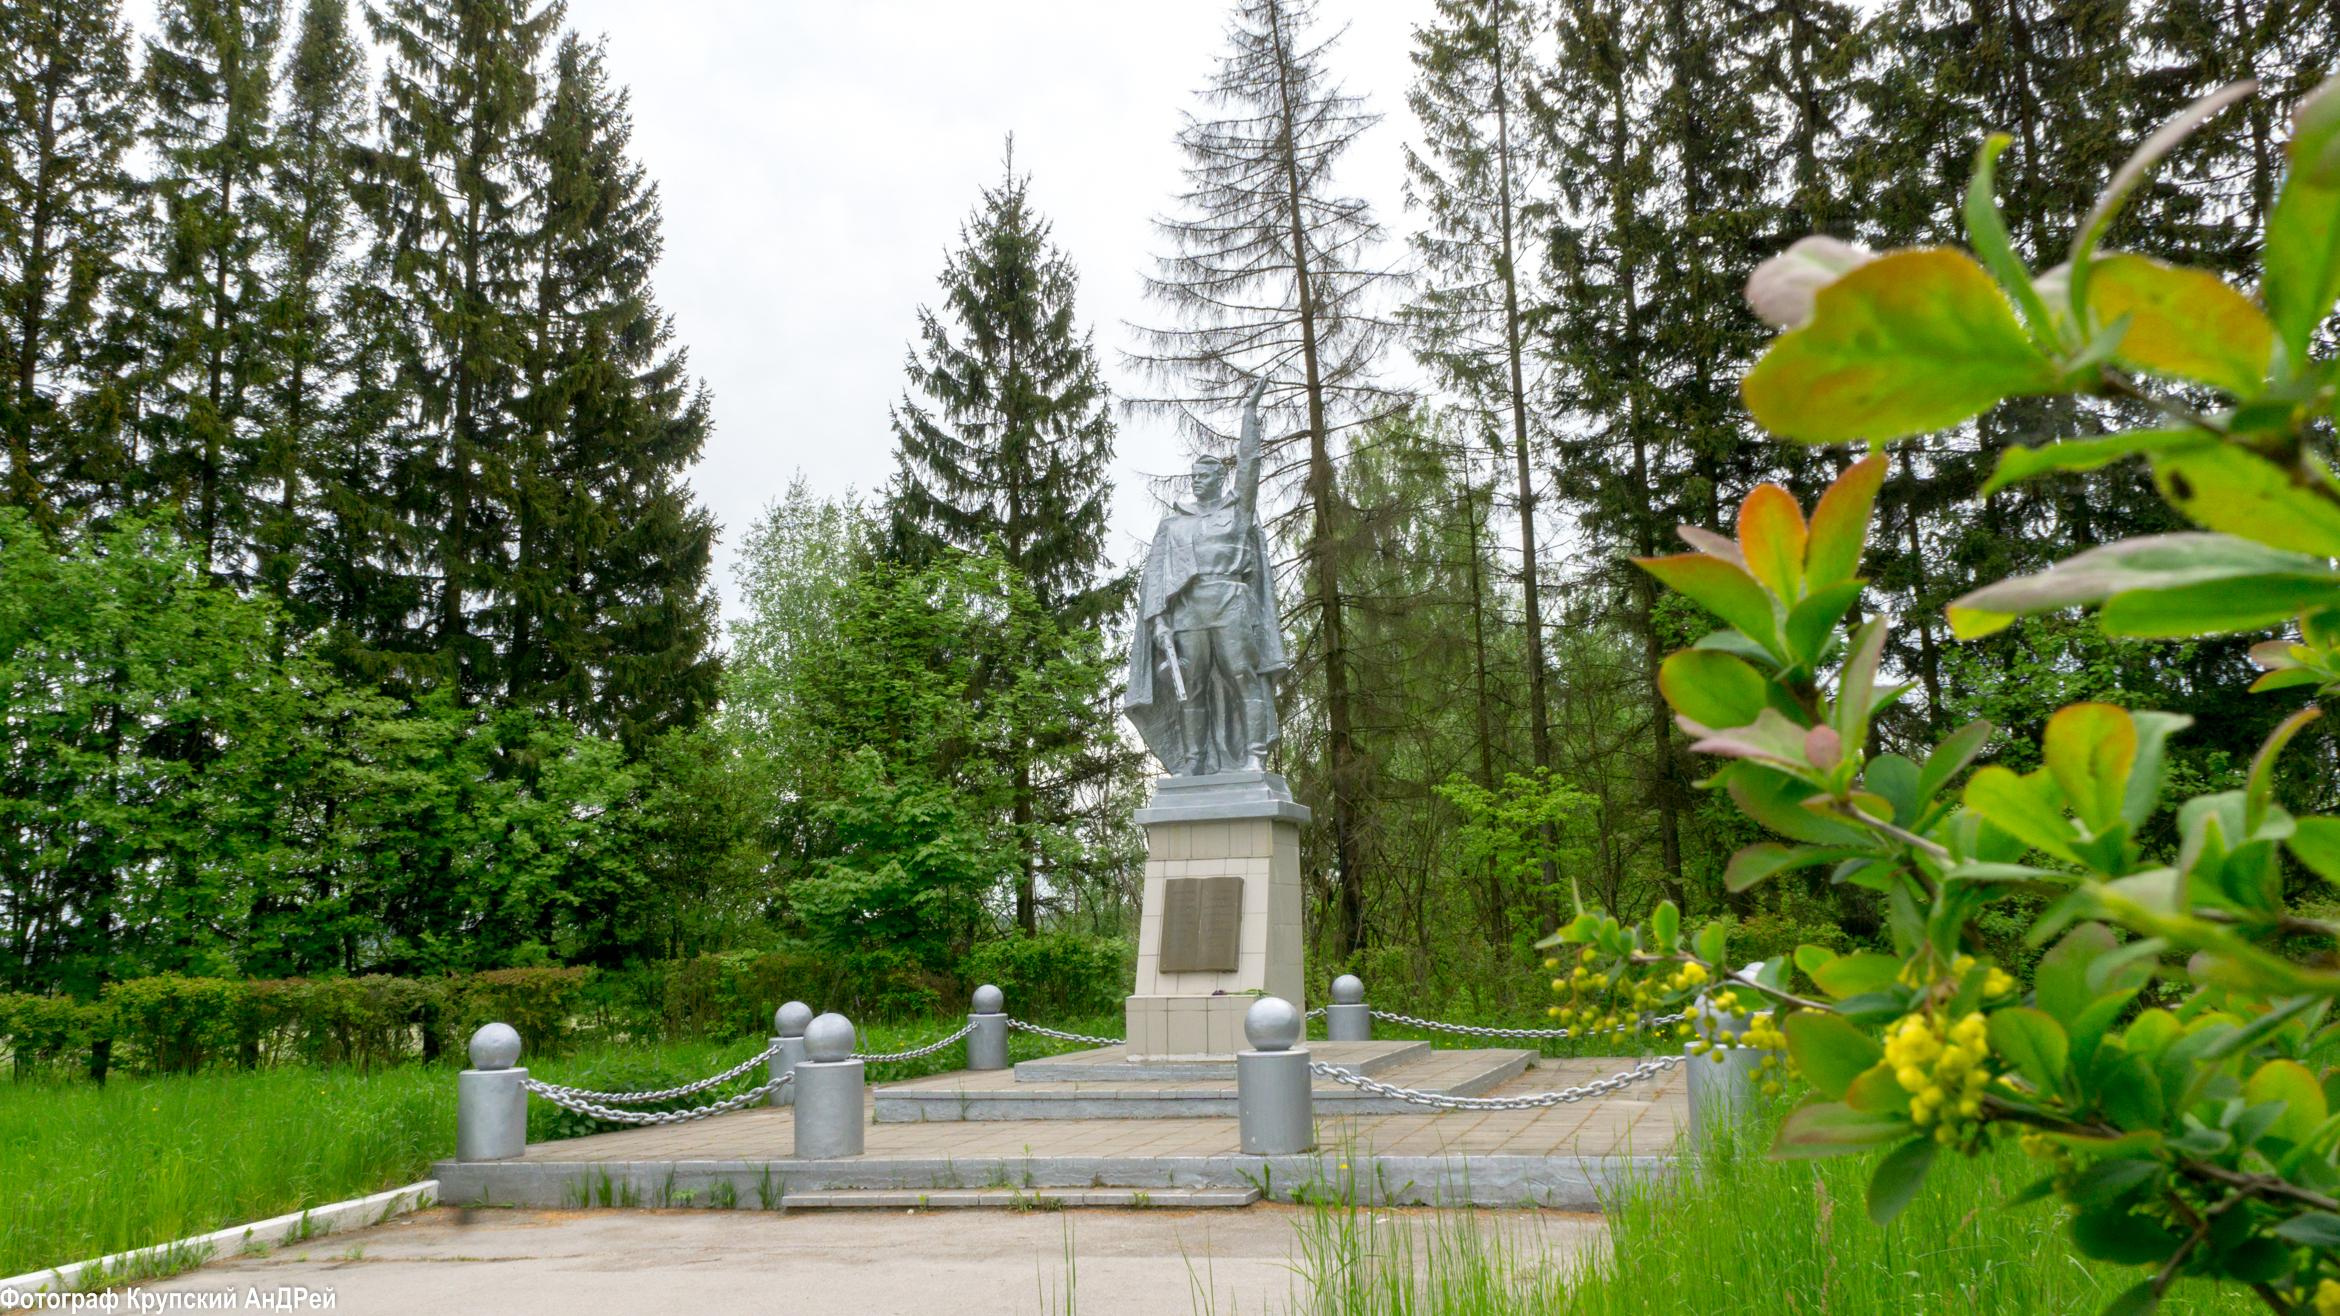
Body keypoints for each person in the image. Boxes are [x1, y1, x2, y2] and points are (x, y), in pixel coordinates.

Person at [1125, 378, 1286, 775]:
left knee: (1242, 677)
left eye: (1204, 476)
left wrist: (1250, 415)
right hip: (1189, 612)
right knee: (1190, 688)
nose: (1196, 480)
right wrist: (1159, 621)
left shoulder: (1237, 513)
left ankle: (1254, 757)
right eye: (1194, 475)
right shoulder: (1173, 525)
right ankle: (1193, 761)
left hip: (1230, 602)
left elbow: (1249, 467)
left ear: (1218, 479)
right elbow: (1157, 581)